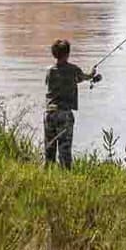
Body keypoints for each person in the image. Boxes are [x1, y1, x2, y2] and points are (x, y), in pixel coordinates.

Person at [44, 38, 101, 169]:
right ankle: (65, 177)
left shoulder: (50, 71)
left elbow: (65, 81)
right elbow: (84, 77)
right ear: (67, 54)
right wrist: (92, 73)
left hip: (49, 113)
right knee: (65, 151)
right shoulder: (73, 69)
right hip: (64, 114)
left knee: (49, 149)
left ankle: (47, 174)